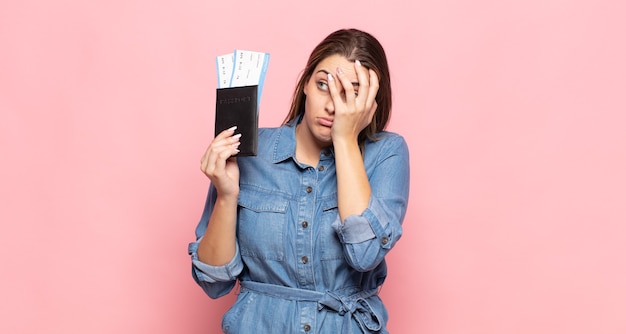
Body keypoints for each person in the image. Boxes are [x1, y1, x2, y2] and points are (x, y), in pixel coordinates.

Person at [188, 28, 410, 333]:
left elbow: (365, 255)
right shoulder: (250, 151)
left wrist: (344, 139)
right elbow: (214, 282)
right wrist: (226, 196)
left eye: (352, 94)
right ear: (305, 83)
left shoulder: (386, 153)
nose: (333, 105)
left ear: (370, 103)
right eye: (323, 85)